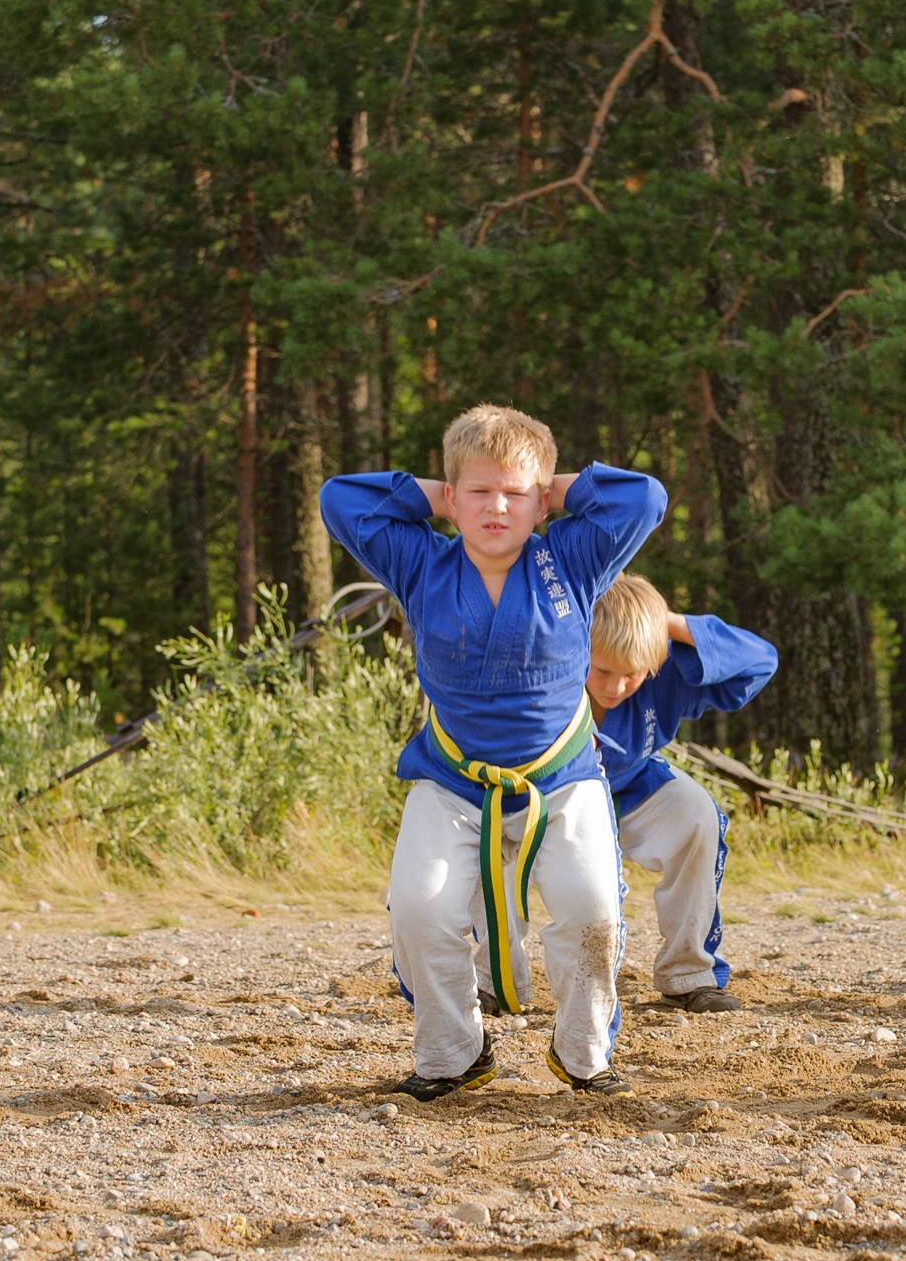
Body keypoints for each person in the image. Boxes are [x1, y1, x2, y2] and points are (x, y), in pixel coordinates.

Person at [321, 404, 666, 1099]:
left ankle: (582, 1055)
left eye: (515, 495)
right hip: (452, 779)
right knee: (418, 910)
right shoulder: (421, 562)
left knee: (592, 910)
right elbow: (339, 497)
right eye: (479, 493)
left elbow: (645, 497)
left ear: (540, 502)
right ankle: (454, 1054)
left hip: (562, 778)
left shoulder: (573, 557)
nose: (497, 509)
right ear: (451, 501)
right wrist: (444, 488)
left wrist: (547, 487)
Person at [573, 573, 774, 1013]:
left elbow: (760, 661)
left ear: (655, 663)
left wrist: (667, 624)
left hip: (634, 784)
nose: (614, 686)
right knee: (497, 829)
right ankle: (495, 980)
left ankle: (689, 973)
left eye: (632, 675)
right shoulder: (554, 655)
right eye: (602, 669)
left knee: (697, 814)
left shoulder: (667, 670)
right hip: (556, 793)